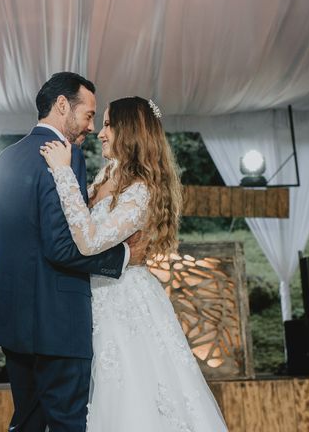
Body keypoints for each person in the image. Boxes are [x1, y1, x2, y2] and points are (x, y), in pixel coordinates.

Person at [40, 96, 228, 431]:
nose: (100, 132)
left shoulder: (141, 190)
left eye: (109, 124)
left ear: (130, 131)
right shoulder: (108, 172)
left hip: (124, 299)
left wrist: (62, 173)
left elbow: (90, 240)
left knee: (131, 395)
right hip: (94, 296)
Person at [0, 72, 143, 432]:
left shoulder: (5, 158)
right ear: (62, 105)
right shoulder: (67, 157)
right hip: (58, 322)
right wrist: (124, 258)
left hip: (11, 321)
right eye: (89, 115)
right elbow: (61, 247)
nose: (90, 127)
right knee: (67, 422)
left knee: (28, 419)